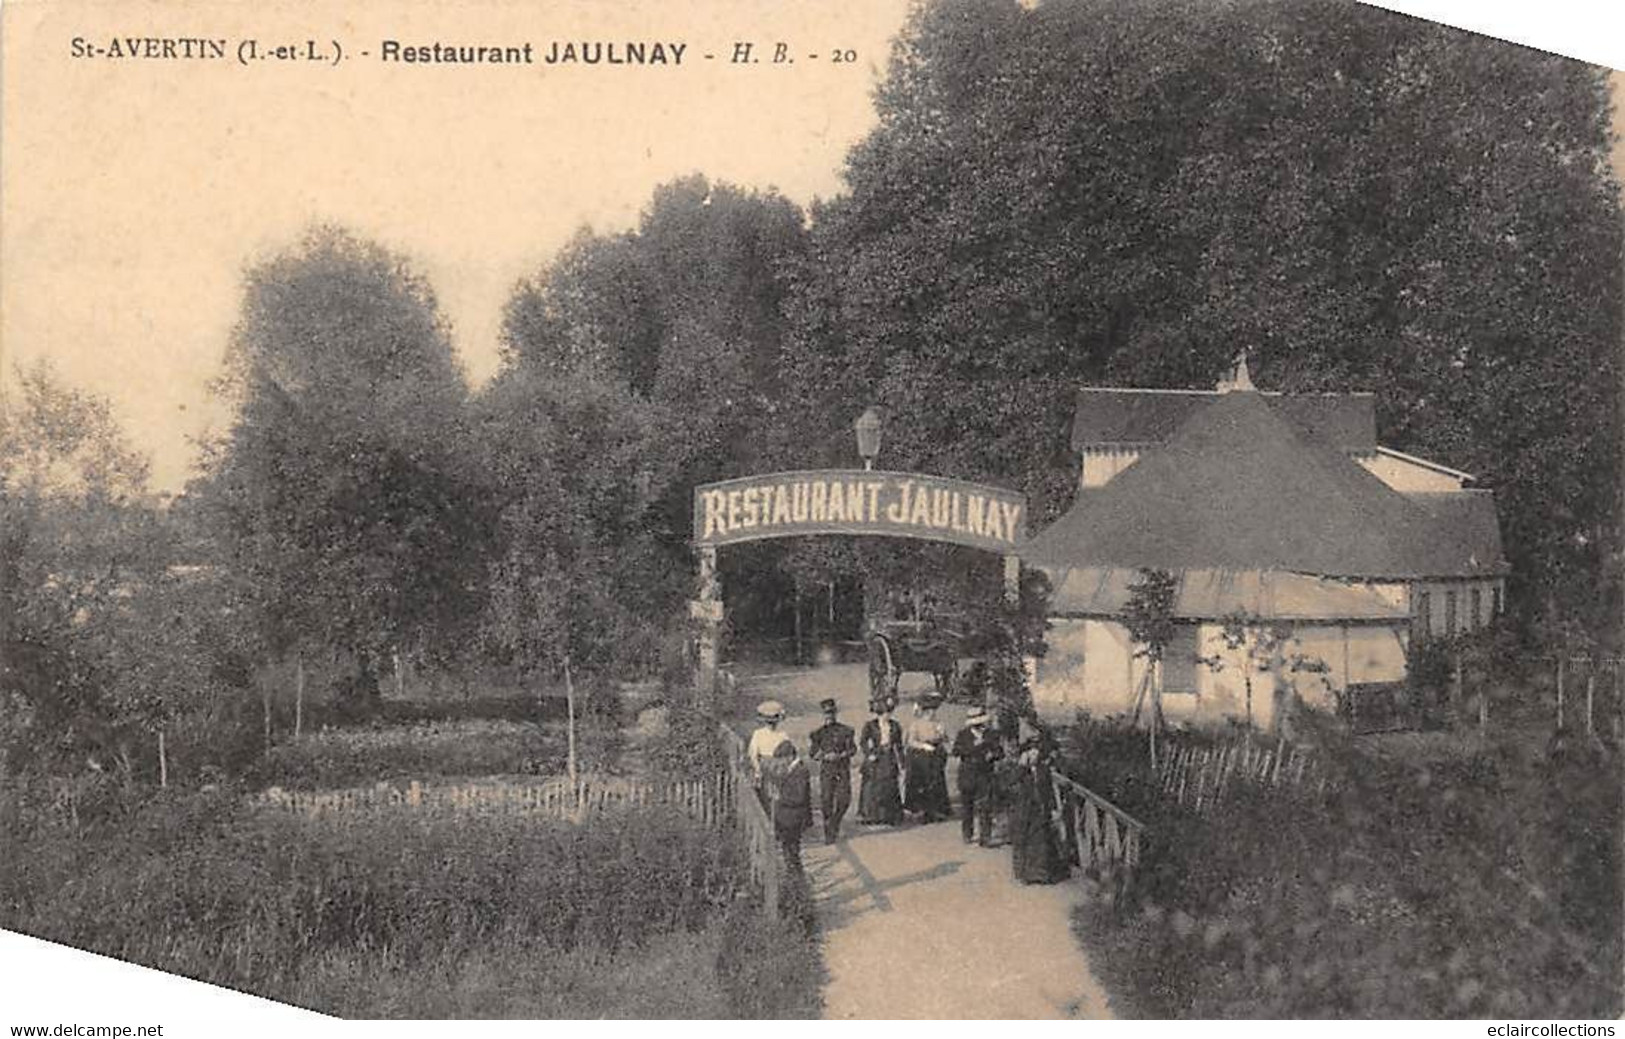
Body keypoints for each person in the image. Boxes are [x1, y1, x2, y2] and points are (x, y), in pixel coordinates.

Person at [1009, 716, 1069, 884]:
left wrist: (1048, 761)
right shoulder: (1023, 757)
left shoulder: (1046, 757)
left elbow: (1058, 766)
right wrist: (1022, 765)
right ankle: (1024, 874)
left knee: (1041, 837)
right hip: (1025, 802)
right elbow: (1011, 781)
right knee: (1023, 836)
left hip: (1042, 800)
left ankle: (1041, 874)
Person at [808, 697, 857, 843]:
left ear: (835, 714)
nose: (829, 716)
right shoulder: (818, 734)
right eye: (826, 714)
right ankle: (829, 832)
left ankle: (834, 822)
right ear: (823, 715)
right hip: (827, 770)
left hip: (842, 769)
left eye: (831, 713)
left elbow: (853, 749)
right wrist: (824, 756)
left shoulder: (846, 731)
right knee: (826, 801)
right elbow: (813, 753)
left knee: (844, 800)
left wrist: (841, 755)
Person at [952, 709, 1002, 846]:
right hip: (967, 773)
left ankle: (985, 837)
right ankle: (967, 834)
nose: (979, 727)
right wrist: (974, 746)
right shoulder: (963, 735)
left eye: (981, 724)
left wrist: (993, 754)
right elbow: (956, 751)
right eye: (976, 725)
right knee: (967, 806)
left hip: (985, 773)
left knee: (985, 806)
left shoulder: (991, 734)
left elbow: (999, 751)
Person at [903, 692, 951, 822]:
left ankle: (937, 809)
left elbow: (945, 740)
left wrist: (942, 735)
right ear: (924, 712)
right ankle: (921, 810)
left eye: (933, 712)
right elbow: (911, 742)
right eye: (929, 712)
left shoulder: (938, 723)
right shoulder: (916, 724)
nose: (932, 714)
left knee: (937, 781)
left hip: (935, 756)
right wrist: (924, 746)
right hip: (920, 757)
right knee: (922, 783)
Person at [857, 697, 904, 825]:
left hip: (889, 757)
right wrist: (869, 754)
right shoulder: (870, 725)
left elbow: (899, 745)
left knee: (890, 785)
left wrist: (902, 762)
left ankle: (890, 815)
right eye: (884, 714)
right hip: (875, 757)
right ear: (879, 713)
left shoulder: (895, 726)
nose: (886, 716)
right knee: (873, 786)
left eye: (889, 713)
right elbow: (863, 742)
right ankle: (871, 815)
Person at [747, 700, 789, 810]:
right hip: (764, 767)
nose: (772, 723)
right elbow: (752, 754)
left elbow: (788, 753)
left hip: (779, 767)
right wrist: (757, 769)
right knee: (765, 797)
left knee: (779, 798)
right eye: (769, 721)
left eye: (774, 721)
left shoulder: (782, 735)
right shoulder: (758, 734)